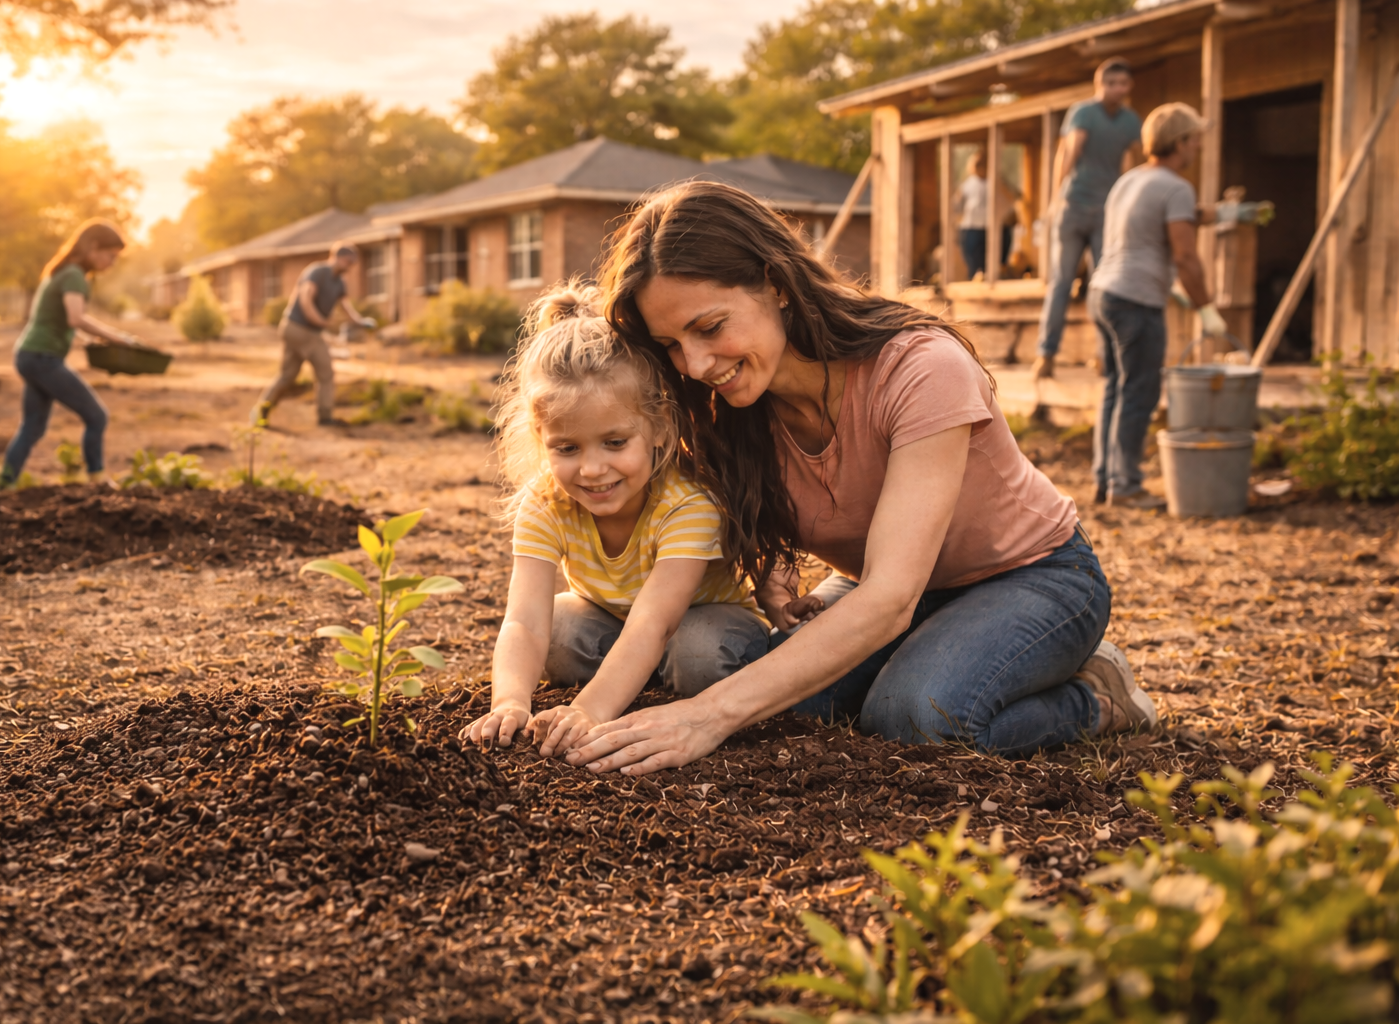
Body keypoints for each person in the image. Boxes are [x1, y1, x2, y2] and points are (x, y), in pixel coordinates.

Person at [550, 181, 1156, 777]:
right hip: (888, 589)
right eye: (671, 344)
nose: (697, 364)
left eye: (709, 328)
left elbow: (890, 598)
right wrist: (773, 565)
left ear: (777, 285)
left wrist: (703, 716)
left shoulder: (921, 368)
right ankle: (946, 659)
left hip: (1033, 578)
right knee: (790, 714)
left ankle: (1094, 698)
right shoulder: (727, 408)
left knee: (915, 717)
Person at [461, 280, 769, 756]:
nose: (591, 469)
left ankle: (635, 686)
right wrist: (510, 700)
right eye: (567, 448)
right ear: (541, 439)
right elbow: (524, 620)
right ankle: (634, 681)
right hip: (611, 620)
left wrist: (589, 710)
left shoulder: (686, 504)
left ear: (659, 429)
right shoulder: (545, 504)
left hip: (699, 622)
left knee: (699, 655)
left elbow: (653, 624)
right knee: (559, 631)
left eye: (615, 443)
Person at [1089, 103, 1226, 509]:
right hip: (1136, 301)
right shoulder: (1176, 187)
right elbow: (1185, 257)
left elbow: (1142, 236)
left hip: (1103, 293)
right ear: (1180, 142)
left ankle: (1106, 480)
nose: (1197, 148)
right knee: (1140, 392)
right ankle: (1126, 485)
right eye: (1195, 140)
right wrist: (1205, 308)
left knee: (1115, 389)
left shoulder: (1129, 180)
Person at [0, 219, 138, 488]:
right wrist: (120, 339)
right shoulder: (74, 275)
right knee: (97, 417)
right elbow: (76, 318)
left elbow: (61, 320)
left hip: (29, 354)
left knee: (33, 427)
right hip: (42, 358)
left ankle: (5, 485)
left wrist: (90, 340)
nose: (112, 263)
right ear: (94, 247)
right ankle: (98, 480)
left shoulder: (61, 271)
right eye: (110, 256)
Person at [1033, 60, 1143, 379]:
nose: (1118, 89)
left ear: (1129, 87)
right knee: (1061, 282)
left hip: (1106, 213)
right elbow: (1069, 152)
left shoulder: (1130, 121)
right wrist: (1055, 200)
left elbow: (1130, 163)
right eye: (1112, 83)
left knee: (1103, 285)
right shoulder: (1083, 112)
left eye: (1124, 84)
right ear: (1100, 84)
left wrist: (1127, 204)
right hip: (1074, 206)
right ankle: (1046, 354)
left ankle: (1105, 357)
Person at [253, 245, 375, 427]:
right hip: (299, 328)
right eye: (349, 261)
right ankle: (325, 417)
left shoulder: (339, 282)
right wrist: (322, 322)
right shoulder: (317, 272)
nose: (351, 266)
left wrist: (360, 321)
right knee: (326, 372)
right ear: (338, 257)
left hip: (303, 330)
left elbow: (345, 307)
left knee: (287, 376)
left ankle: (260, 413)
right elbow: (305, 299)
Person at [954, 151, 1015, 280]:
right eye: (976, 164)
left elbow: (1012, 201)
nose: (978, 167)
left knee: (996, 267)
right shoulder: (966, 186)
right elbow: (957, 208)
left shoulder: (999, 183)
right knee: (976, 269)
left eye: (982, 164)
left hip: (997, 229)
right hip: (973, 230)